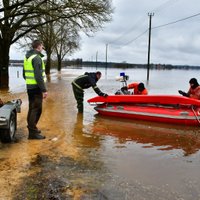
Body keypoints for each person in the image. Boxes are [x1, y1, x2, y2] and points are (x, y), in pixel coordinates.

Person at [23, 40, 47, 140]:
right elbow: (38, 76)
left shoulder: (27, 57)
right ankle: (32, 133)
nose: (43, 48)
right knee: (37, 109)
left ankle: (32, 129)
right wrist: (44, 90)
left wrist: (30, 82)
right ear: (38, 46)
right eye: (42, 46)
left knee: (32, 109)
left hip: (30, 87)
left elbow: (24, 74)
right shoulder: (37, 58)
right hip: (36, 88)